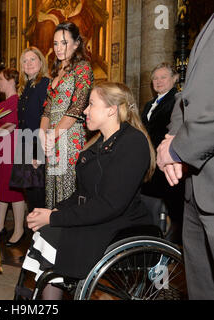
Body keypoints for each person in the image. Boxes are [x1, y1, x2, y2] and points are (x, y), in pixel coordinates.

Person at [22, 81, 155, 299]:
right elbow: (80, 194)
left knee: (50, 235)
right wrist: (54, 211)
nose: (85, 111)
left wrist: (55, 219)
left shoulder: (133, 142)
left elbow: (110, 204)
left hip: (121, 223)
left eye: (91, 104)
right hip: (101, 215)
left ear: (111, 109)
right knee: (43, 233)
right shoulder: (99, 142)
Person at [157, 14, 214, 300]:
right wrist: (171, 141)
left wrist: (177, 149)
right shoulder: (207, 24)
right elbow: (187, 97)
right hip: (195, 185)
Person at [40, 22, 93, 209]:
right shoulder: (55, 71)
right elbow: (47, 108)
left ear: (76, 44)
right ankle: (50, 233)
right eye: (55, 44)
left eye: (63, 43)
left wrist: (51, 135)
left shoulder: (83, 68)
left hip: (70, 135)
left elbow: (77, 107)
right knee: (51, 187)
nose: (58, 48)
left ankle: (67, 234)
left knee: (67, 187)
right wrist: (42, 134)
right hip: (52, 138)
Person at [140, 63, 184, 244]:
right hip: (150, 162)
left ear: (174, 79)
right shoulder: (150, 104)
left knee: (170, 206)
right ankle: (154, 240)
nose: (158, 81)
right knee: (152, 205)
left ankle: (169, 245)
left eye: (163, 77)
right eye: (155, 78)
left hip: (165, 160)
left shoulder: (177, 100)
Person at [10, 46, 49, 215]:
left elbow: (46, 119)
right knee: (31, 194)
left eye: (33, 59)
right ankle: (36, 235)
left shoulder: (45, 84)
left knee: (39, 196)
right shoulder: (26, 88)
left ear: (41, 62)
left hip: (37, 146)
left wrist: (37, 153)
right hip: (25, 143)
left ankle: (41, 237)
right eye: (25, 61)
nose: (28, 63)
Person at [0, 68, 26, 246]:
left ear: (11, 81)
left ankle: (19, 229)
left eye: (2, 79)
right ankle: (0, 225)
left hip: (11, 149)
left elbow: (11, 125)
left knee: (14, 191)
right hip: (1, 149)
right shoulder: (1, 103)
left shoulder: (15, 101)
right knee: (2, 189)